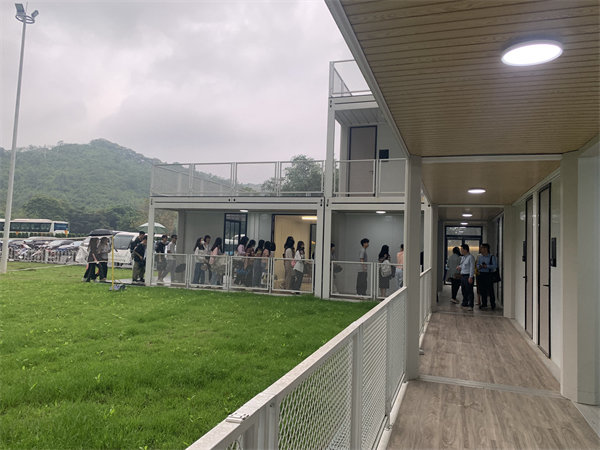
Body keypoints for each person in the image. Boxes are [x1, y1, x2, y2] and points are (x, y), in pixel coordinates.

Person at [477, 243, 497, 310]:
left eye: (482, 248)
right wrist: (479, 266)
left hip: (489, 275)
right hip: (481, 274)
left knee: (490, 290)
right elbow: (477, 265)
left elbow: (495, 266)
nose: (480, 249)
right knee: (482, 290)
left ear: (486, 249)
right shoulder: (480, 257)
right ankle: (484, 304)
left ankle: (492, 304)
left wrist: (487, 266)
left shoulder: (491, 257)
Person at [458, 243, 476, 311]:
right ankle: (465, 302)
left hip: (468, 276)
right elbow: (462, 265)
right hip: (463, 276)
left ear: (465, 250)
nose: (461, 251)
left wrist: (471, 277)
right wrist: (459, 267)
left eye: (462, 249)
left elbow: (472, 267)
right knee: (463, 290)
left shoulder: (471, 257)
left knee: (469, 291)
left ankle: (471, 305)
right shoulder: (463, 257)